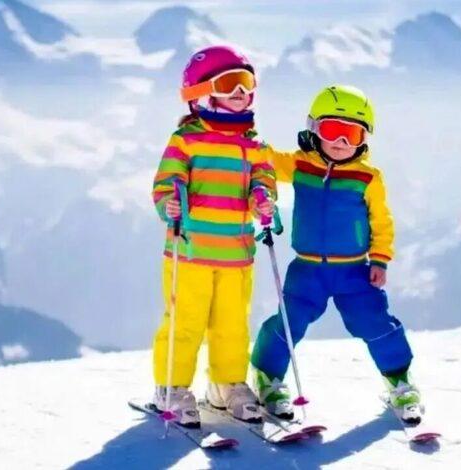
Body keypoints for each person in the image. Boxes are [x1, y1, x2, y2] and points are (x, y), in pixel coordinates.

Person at [252, 85, 422, 424]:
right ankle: (268, 377)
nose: (341, 142)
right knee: (290, 321)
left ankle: (400, 382)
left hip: (354, 270)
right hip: (307, 269)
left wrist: (380, 258)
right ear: (314, 129)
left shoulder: (368, 177)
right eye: (333, 130)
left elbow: (381, 220)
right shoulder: (301, 165)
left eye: (352, 134)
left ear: (364, 138)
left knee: (374, 321)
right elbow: (266, 160)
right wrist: (247, 140)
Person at [150, 45, 275, 427]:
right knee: (185, 323)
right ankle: (171, 388)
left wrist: (262, 199)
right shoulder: (186, 140)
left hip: (236, 255)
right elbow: (166, 183)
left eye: (246, 82)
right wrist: (169, 203)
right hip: (190, 252)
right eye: (230, 83)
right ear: (202, 91)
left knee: (232, 324)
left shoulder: (254, 145)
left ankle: (226, 386)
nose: (240, 91)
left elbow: (263, 181)